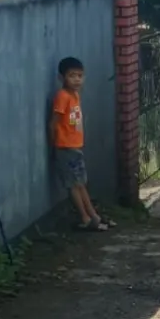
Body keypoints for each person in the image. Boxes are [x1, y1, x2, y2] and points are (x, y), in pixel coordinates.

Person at [50, 57, 112, 232]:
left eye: (80, 75)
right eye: (72, 76)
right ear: (62, 78)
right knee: (74, 184)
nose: (77, 79)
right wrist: (53, 144)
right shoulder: (62, 97)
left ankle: (93, 216)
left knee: (80, 183)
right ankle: (86, 217)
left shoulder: (75, 95)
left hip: (75, 147)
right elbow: (54, 122)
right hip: (65, 147)